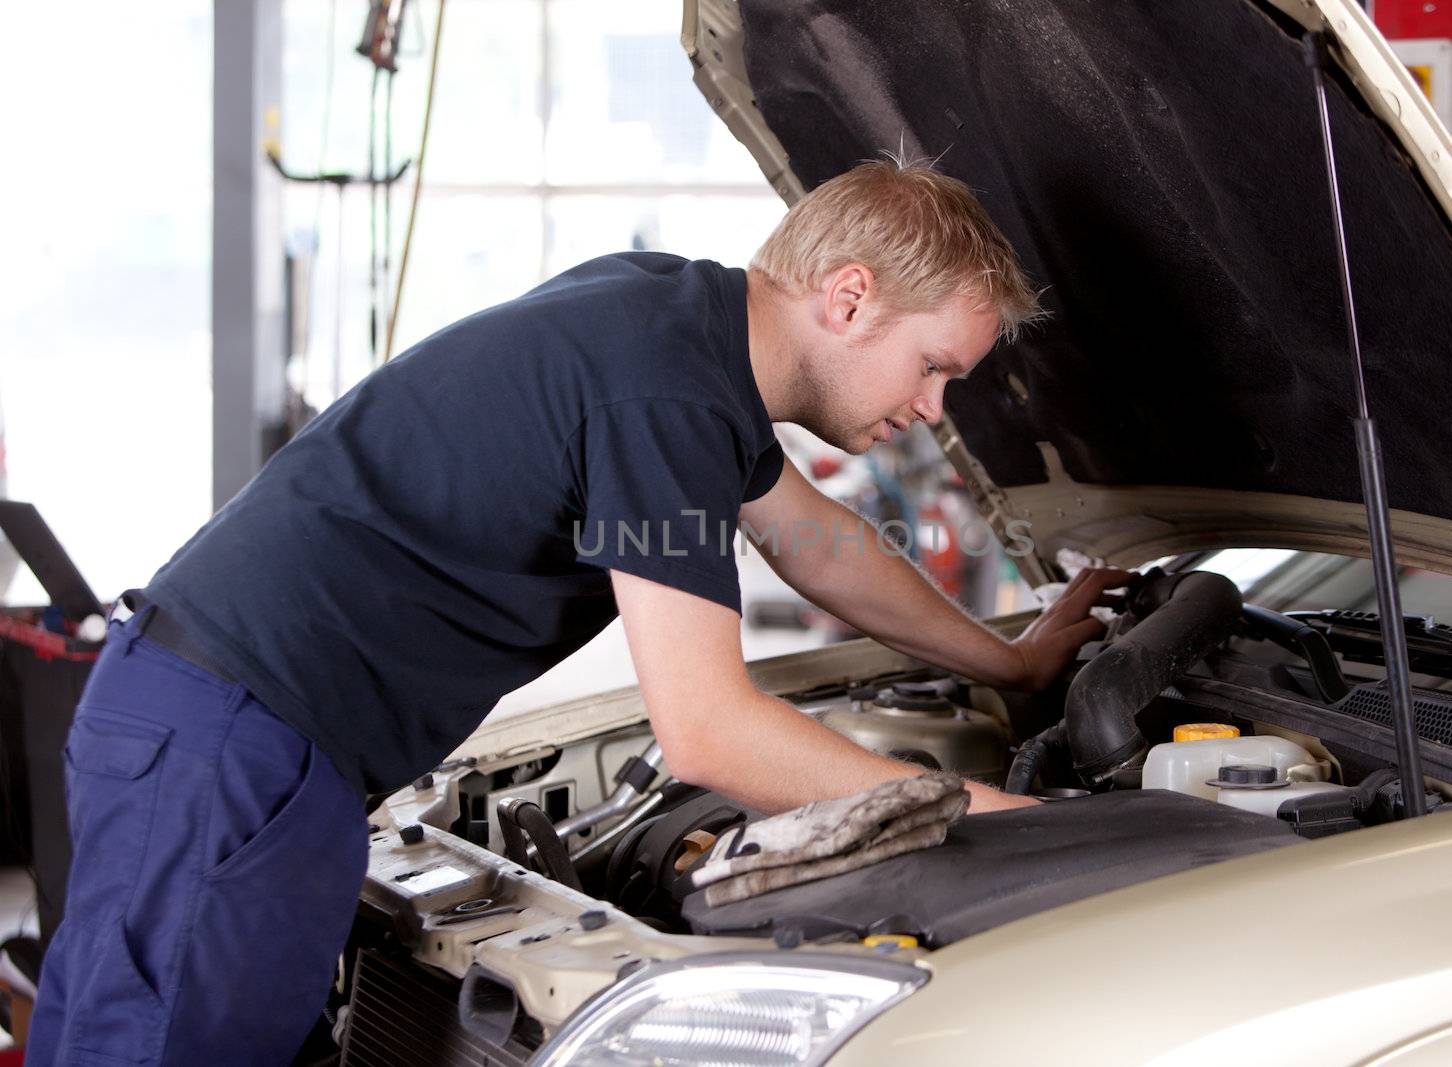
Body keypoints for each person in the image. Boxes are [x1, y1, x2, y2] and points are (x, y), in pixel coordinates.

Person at [27, 157, 1126, 1065]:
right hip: (236, 753)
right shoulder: (671, 392)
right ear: (847, 298)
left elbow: (819, 545)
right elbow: (706, 728)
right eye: (933, 367)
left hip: (223, 735)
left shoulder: (676, 318)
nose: (934, 410)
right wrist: (992, 814)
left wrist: (1013, 663)